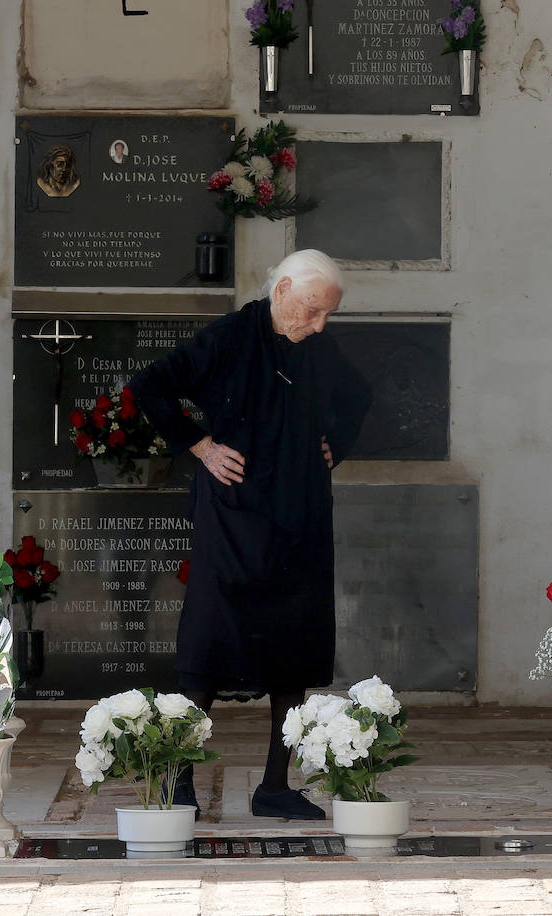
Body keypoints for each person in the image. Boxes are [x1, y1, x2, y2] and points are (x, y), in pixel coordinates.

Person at [129, 249, 371, 820]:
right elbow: (150, 385)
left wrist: (337, 442)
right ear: (282, 289)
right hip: (233, 515)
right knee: (208, 644)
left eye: (327, 315)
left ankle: (275, 786)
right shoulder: (230, 337)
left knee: (295, 646)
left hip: (301, 514)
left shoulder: (320, 346)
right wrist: (200, 445)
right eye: (312, 311)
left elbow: (359, 396)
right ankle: (178, 781)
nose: (319, 326)